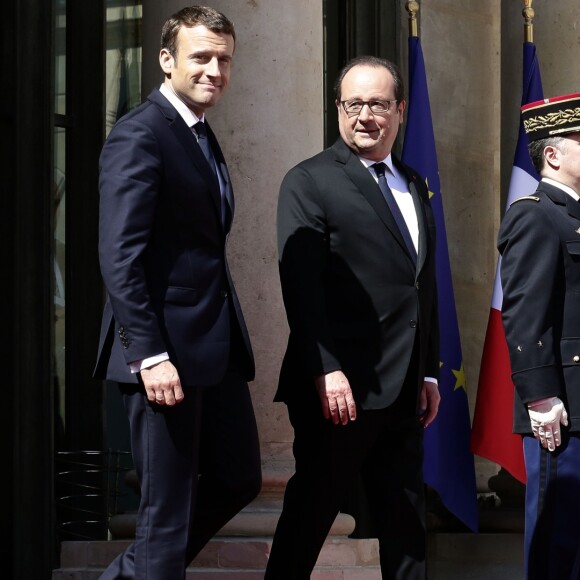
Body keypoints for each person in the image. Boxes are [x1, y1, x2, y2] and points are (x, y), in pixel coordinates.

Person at [93, 6, 261, 579]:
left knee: (239, 479)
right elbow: (121, 255)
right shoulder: (140, 133)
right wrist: (150, 352)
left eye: (224, 59)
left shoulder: (196, 132)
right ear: (166, 60)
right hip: (163, 354)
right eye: (201, 57)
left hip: (211, 351)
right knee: (164, 518)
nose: (214, 70)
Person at [265, 55, 441, 580]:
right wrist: (326, 367)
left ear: (401, 110)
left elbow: (420, 286)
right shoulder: (310, 181)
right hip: (338, 389)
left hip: (404, 386)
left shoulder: (414, 184)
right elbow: (301, 287)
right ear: (338, 108)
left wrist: (429, 369)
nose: (364, 115)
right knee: (311, 514)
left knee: (406, 520)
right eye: (353, 103)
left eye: (378, 104)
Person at [498, 93, 580, 580]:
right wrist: (541, 396)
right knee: (557, 540)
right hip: (562, 405)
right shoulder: (535, 214)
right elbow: (525, 313)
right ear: (552, 154)